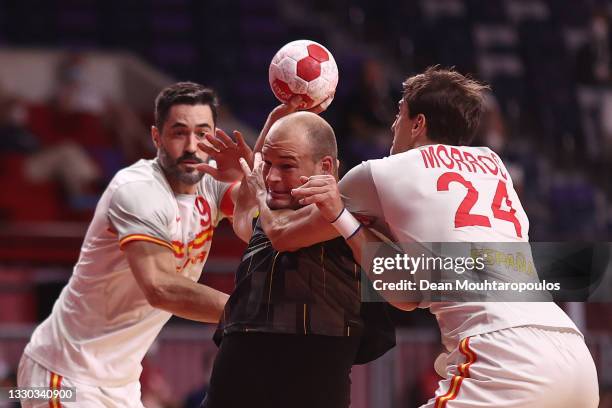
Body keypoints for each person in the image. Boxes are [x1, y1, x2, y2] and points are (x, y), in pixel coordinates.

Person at [279, 67, 598, 407]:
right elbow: (408, 294)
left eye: (399, 114)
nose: (392, 126)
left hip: (505, 356)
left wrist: (249, 185)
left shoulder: (382, 171)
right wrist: (347, 223)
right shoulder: (495, 165)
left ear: (418, 124)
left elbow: (284, 236)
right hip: (574, 357)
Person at [17, 81, 254, 407]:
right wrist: (252, 315)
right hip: (64, 374)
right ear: (156, 137)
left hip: (121, 384)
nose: (191, 146)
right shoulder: (137, 190)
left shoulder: (210, 182)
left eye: (202, 134)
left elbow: (254, 220)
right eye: (178, 133)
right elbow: (160, 288)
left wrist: (249, 177)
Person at [199, 109, 395, 408]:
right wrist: (245, 174)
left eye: (287, 166)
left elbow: (281, 232)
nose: (273, 177)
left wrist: (255, 181)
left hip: (310, 373)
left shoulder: (352, 211)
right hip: (233, 376)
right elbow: (242, 222)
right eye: (268, 165)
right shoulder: (273, 213)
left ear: (326, 166)